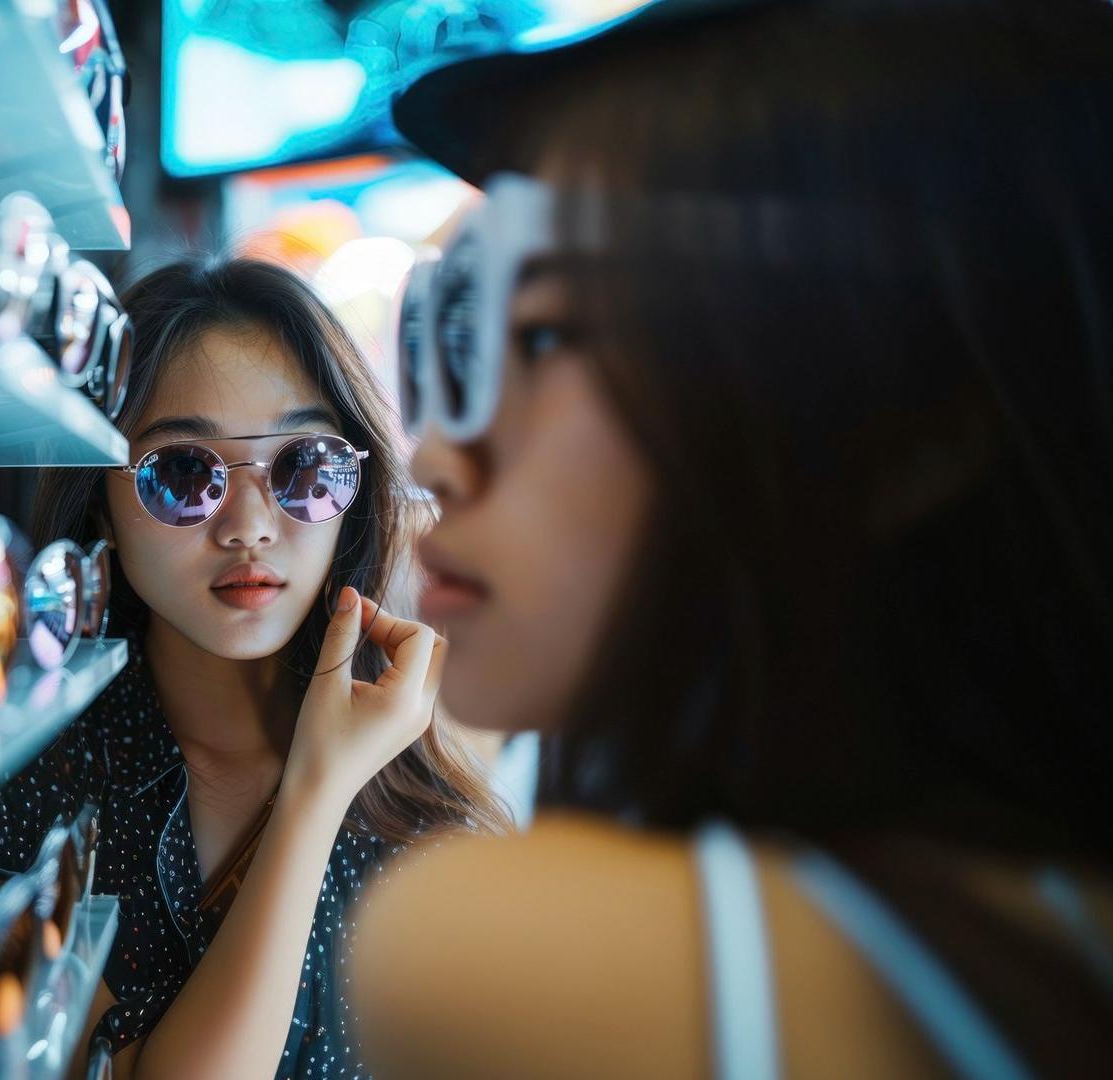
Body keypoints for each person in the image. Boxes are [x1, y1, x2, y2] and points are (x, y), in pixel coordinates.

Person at [347, 0, 1113, 1075]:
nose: (437, 459)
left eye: (551, 332)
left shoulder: (506, 956)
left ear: (898, 418)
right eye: (464, 337)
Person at [0, 255, 503, 1078]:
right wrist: (314, 793)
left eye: (304, 465)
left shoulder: (431, 794)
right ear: (101, 493)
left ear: (353, 491)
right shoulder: (10, 785)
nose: (250, 525)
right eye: (184, 472)